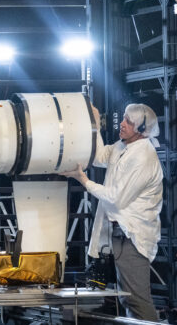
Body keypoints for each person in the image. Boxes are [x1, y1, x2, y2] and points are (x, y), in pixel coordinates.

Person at [60, 103, 163, 321]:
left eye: (129, 122)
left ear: (142, 129)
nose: (122, 124)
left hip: (132, 236)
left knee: (136, 298)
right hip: (118, 234)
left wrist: (84, 180)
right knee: (127, 299)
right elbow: (98, 156)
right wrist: (94, 125)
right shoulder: (122, 146)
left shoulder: (143, 156)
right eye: (123, 118)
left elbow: (117, 197)